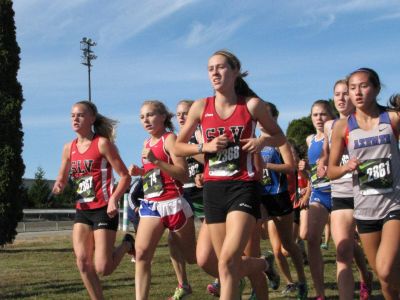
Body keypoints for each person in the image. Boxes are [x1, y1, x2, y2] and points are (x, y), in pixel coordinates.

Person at [174, 49, 285, 300]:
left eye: (221, 67)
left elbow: (280, 137)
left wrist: (261, 142)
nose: (215, 72)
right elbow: (179, 146)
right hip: (213, 190)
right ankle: (263, 264)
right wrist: (205, 147)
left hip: (243, 187)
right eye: (210, 68)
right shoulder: (201, 107)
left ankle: (260, 267)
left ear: (235, 71)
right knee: (223, 265)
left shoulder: (252, 105)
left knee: (227, 261)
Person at [328, 68, 400, 299]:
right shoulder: (343, 127)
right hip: (365, 210)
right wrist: (345, 168)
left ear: (377, 88)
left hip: (394, 204)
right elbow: (330, 171)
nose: (357, 92)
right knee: (384, 277)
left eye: (363, 86)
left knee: (386, 267)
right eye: (352, 88)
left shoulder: (393, 118)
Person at [52, 100, 133, 300]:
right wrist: (59, 185)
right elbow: (62, 177)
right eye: (72, 115)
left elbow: (125, 176)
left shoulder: (102, 144)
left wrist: (114, 198)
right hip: (83, 209)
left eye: (80, 115)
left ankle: (127, 244)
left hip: (105, 209)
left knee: (103, 268)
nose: (75, 119)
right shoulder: (68, 148)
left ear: (91, 118)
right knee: (82, 262)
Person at [129, 100, 197, 300]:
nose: (146, 120)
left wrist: (155, 161)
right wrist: (141, 172)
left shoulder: (170, 139)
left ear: (163, 117)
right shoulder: (146, 143)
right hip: (152, 204)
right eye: (142, 117)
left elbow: (183, 175)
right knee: (141, 255)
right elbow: (156, 175)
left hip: (174, 204)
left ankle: (235, 271)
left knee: (193, 258)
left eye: (150, 115)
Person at [318, 79, 372, 299]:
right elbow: (327, 151)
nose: (340, 98)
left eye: (344, 94)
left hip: (368, 193)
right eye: (337, 94)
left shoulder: (367, 122)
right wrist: (323, 162)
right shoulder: (331, 126)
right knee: (342, 252)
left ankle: (368, 276)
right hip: (341, 192)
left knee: (377, 257)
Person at [258, 102, 308, 299]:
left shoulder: (281, 142)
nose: (263, 120)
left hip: (279, 197)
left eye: (267, 115)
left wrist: (267, 164)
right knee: (269, 244)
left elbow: (290, 167)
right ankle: (284, 279)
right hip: (261, 197)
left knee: (286, 245)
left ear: (274, 118)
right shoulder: (255, 142)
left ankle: (302, 281)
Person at [166, 99, 205, 299]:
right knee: (173, 239)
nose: (181, 116)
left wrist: (194, 147)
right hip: (184, 194)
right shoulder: (174, 138)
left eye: (185, 113)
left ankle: (225, 276)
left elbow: (212, 161)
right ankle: (183, 284)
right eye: (178, 113)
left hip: (205, 193)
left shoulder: (202, 133)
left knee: (215, 241)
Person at [302, 100, 336, 300]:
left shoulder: (338, 135)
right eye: (315, 115)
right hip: (319, 194)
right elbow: (313, 174)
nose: (319, 119)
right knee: (312, 239)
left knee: (346, 242)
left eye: (323, 114)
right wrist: (305, 170)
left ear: (331, 115)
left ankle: (365, 276)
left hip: (339, 192)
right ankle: (320, 293)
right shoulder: (310, 140)